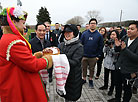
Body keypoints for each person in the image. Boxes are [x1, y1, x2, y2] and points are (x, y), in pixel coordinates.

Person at [0, 7, 52, 102]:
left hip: (12, 84)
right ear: (14, 22)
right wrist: (48, 60)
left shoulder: (7, 38)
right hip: (17, 88)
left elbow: (20, 61)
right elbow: (33, 65)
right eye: (23, 23)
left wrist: (35, 56)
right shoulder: (14, 41)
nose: (24, 27)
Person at [108, 21, 138, 102]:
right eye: (128, 29)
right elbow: (119, 51)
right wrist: (117, 47)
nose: (129, 30)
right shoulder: (125, 37)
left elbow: (136, 58)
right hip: (119, 67)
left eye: (132, 29)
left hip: (129, 70)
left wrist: (125, 49)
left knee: (127, 89)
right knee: (118, 85)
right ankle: (117, 98)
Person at [58, 24, 83, 102]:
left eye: (69, 32)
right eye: (65, 32)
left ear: (75, 33)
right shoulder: (62, 44)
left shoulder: (79, 47)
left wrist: (60, 59)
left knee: (71, 98)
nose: (67, 34)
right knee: (65, 96)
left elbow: (75, 62)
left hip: (73, 78)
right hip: (63, 77)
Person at [81, 18, 104, 88]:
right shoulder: (84, 34)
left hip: (94, 56)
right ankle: (84, 79)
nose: (92, 25)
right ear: (89, 24)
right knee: (84, 68)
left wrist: (98, 56)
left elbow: (101, 46)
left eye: (94, 23)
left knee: (92, 69)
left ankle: (90, 80)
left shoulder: (99, 35)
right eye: (91, 23)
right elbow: (81, 44)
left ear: (96, 25)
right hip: (84, 55)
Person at [99, 30, 120, 96]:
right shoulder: (108, 41)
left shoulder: (118, 43)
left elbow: (116, 53)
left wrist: (112, 47)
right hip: (107, 62)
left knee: (113, 78)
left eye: (114, 34)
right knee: (106, 75)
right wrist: (106, 45)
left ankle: (111, 89)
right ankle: (105, 86)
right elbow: (104, 51)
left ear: (117, 36)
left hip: (113, 63)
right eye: (111, 34)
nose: (112, 36)